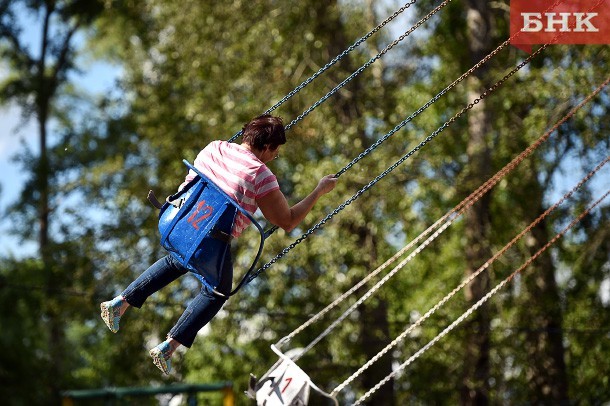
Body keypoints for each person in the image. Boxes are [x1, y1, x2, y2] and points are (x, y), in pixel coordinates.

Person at [100, 114, 338, 374]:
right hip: (210, 241)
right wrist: (318, 191)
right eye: (276, 151)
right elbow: (287, 221)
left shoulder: (215, 147)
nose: (275, 156)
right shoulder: (260, 175)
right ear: (268, 147)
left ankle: (119, 303)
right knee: (218, 291)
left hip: (180, 223)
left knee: (176, 260)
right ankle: (169, 346)